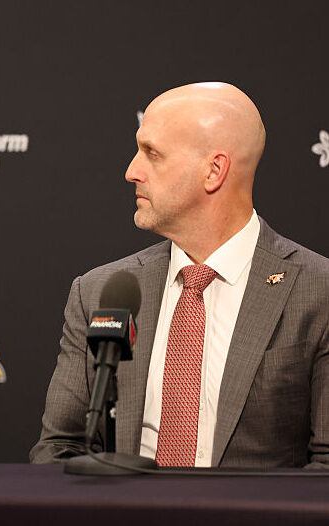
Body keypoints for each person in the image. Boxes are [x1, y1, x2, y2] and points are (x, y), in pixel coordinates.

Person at [30, 82, 329, 468]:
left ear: (213, 170)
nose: (131, 171)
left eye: (152, 154)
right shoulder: (99, 292)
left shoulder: (318, 292)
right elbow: (59, 450)